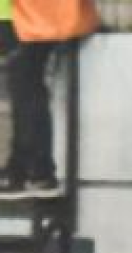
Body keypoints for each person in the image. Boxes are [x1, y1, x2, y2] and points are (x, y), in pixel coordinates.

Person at [0, 0, 62, 199]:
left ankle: (31, 169)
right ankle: (26, 169)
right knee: (26, 85)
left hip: (20, 14)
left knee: (25, 85)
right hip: (26, 13)